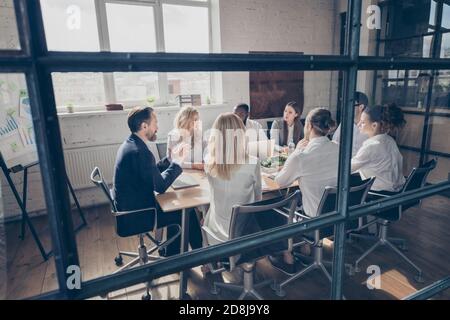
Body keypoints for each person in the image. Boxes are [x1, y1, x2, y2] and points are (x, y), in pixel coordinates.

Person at [113, 106, 203, 256]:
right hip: (138, 215)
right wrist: (177, 162)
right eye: (155, 122)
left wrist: (169, 159)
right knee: (187, 212)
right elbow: (160, 186)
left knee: (178, 207)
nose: (157, 127)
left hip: (128, 208)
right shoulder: (140, 152)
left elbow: (150, 171)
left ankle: (173, 254)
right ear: (144, 126)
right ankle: (198, 258)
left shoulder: (131, 144)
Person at [270, 108, 339, 274]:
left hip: (314, 219)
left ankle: (288, 255)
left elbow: (280, 182)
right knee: (304, 195)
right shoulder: (338, 148)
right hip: (337, 216)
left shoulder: (301, 156)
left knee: (275, 202)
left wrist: (296, 152)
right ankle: (307, 247)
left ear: (308, 126)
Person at [203, 113, 262, 245]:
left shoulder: (208, 162)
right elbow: (258, 199)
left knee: (206, 210)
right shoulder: (253, 163)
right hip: (243, 233)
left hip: (215, 234)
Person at [351, 104, 406, 192]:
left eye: (363, 122)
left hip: (379, 195)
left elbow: (348, 168)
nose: (358, 125)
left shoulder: (372, 146)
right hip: (396, 191)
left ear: (374, 125)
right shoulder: (389, 140)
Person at [167, 106, 206, 170]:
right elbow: (171, 161)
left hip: (199, 172)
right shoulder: (173, 135)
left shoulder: (199, 133)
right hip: (181, 172)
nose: (198, 122)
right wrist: (194, 166)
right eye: (195, 119)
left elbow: (206, 153)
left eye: (198, 119)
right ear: (186, 120)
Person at [332, 91, 369, 156]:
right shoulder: (344, 124)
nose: (346, 108)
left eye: (350, 105)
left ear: (361, 107)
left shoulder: (369, 127)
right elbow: (334, 143)